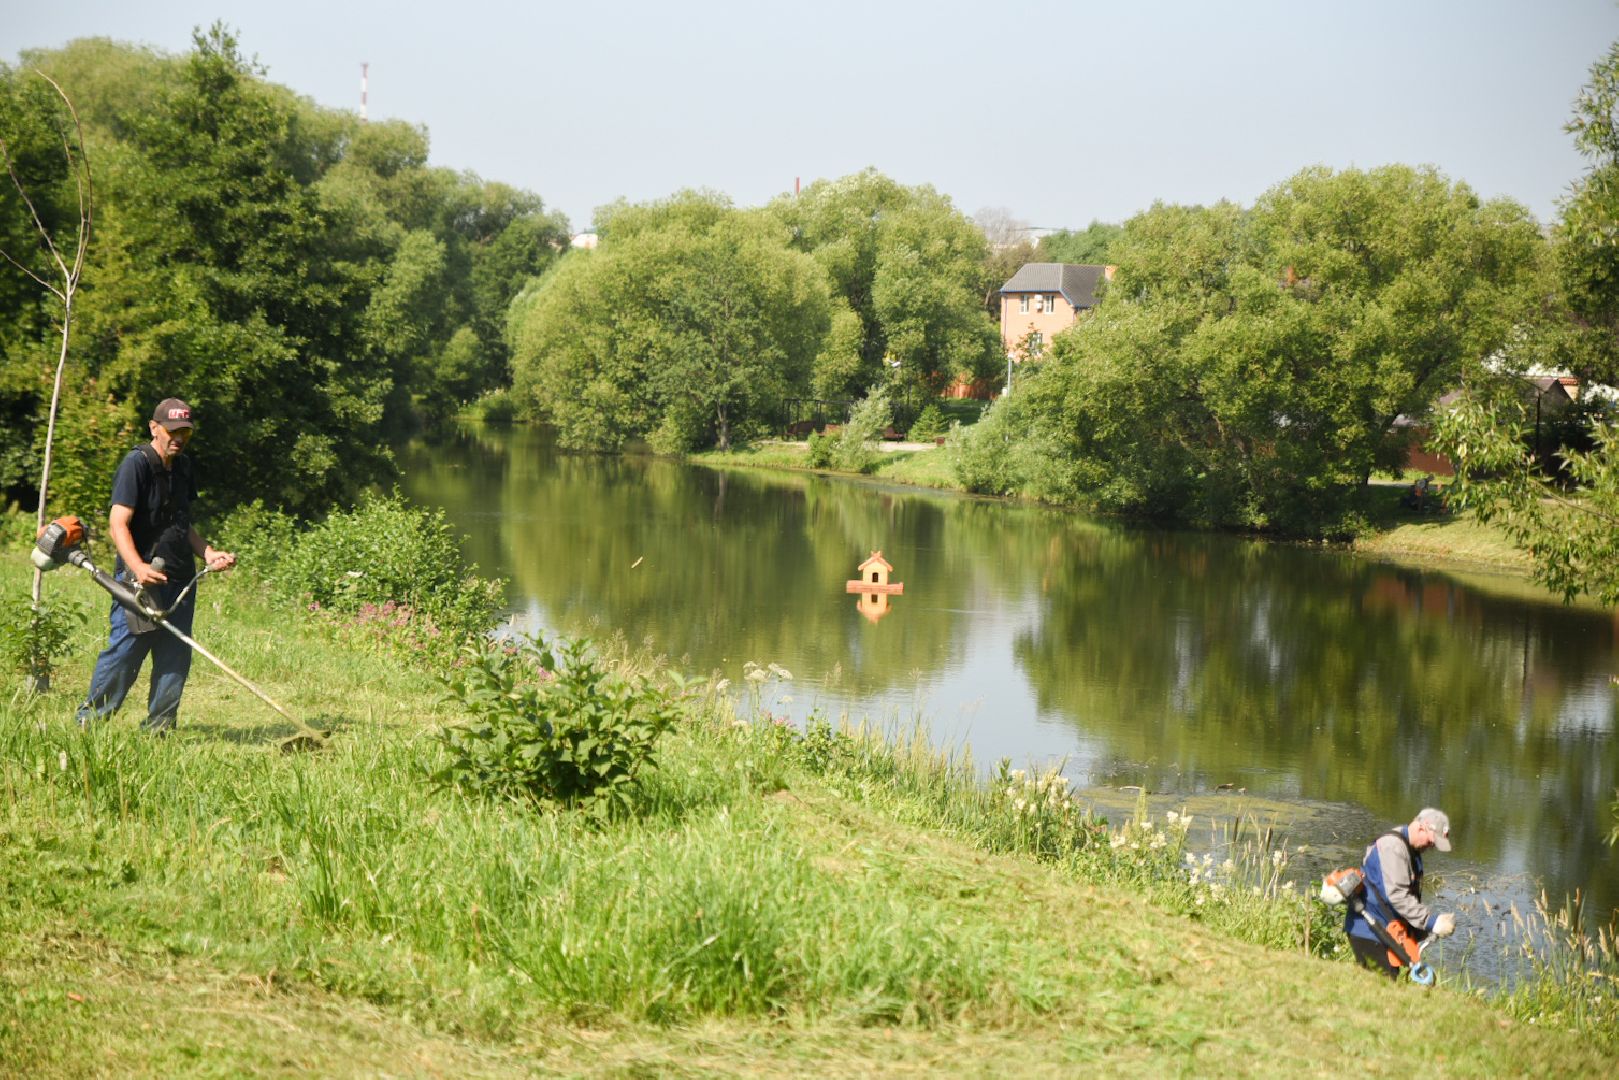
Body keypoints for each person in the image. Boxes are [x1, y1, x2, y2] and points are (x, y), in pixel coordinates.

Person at [77, 398, 236, 733]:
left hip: (180, 577)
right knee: (126, 651)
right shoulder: (136, 464)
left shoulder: (184, 467)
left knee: (174, 657)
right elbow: (117, 524)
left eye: (185, 432)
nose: (178, 438)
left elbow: (182, 523)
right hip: (140, 580)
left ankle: (159, 730)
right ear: (154, 427)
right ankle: (89, 724)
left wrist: (206, 552)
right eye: (172, 430)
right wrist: (137, 567)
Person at [1344, 807, 1457, 979]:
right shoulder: (1393, 847)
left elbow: (1407, 898)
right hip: (1369, 931)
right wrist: (1431, 922)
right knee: (1381, 991)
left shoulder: (1411, 850)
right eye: (1432, 841)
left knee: (1384, 989)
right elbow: (1397, 895)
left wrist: (1422, 932)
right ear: (1422, 827)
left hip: (1386, 931)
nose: (1432, 846)